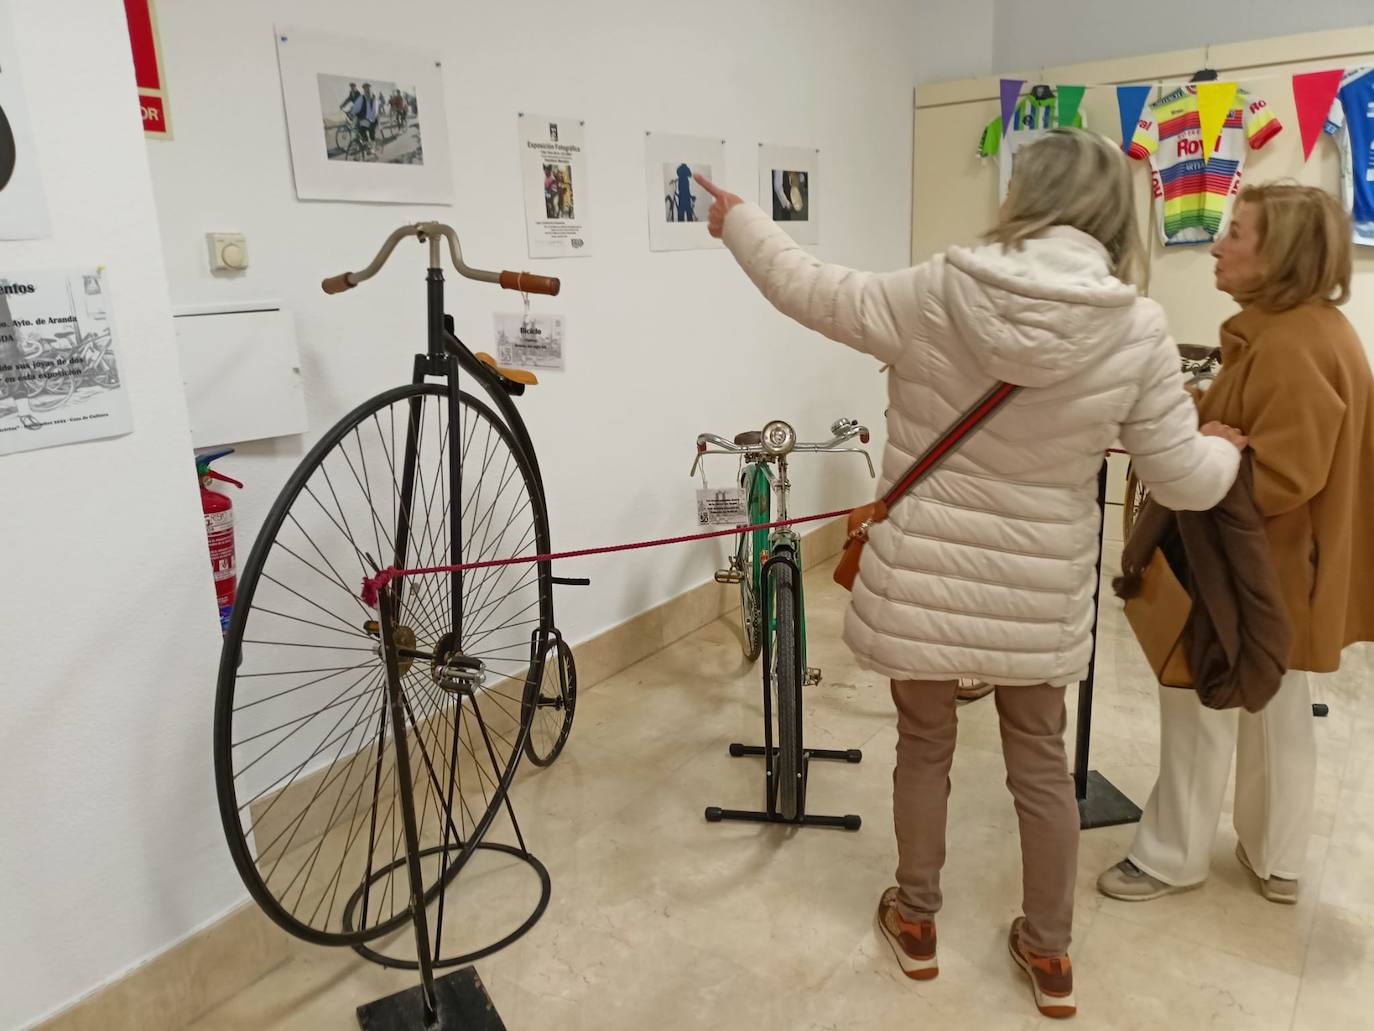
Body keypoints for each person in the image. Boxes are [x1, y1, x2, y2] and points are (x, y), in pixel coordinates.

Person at [695, 128, 1246, 1020]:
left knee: (923, 744)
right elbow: (1183, 478)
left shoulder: (938, 289)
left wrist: (742, 222)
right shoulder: (1136, 328)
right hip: (1037, 590)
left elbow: (811, 289)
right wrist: (1225, 451)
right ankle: (1051, 950)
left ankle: (916, 920)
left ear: (1026, 197)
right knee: (1040, 763)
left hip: (925, 571)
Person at [1098, 183, 1374, 906]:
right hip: (1286, 574)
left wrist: (1199, 442)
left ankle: (1171, 857)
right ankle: (1276, 857)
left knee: (1199, 703)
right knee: (1277, 712)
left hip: (1246, 573)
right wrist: (1206, 423)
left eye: (1237, 233)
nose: (1216, 247)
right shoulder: (1310, 329)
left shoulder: (1290, 345)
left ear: (1280, 254)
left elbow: (1280, 475)